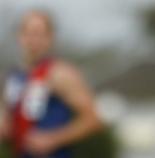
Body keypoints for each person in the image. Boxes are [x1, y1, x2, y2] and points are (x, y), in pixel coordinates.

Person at [0, 10, 103, 158]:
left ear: (50, 38)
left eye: (39, 34)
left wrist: (53, 139)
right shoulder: (12, 76)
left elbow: (93, 120)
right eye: (29, 33)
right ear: (19, 36)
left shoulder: (60, 73)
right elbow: (9, 116)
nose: (33, 40)